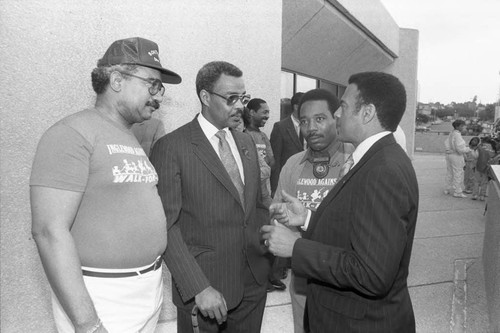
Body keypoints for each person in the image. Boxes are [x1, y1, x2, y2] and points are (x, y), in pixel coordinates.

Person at [30, 37, 181, 333]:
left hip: (147, 288)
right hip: (102, 296)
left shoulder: (129, 135)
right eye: (152, 83)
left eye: (159, 87)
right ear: (116, 80)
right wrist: (88, 324)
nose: (158, 96)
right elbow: (48, 232)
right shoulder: (71, 134)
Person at [262, 71, 419, 332]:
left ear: (367, 113)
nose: (337, 114)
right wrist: (308, 218)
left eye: (343, 107)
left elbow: (372, 274)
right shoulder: (375, 160)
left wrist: (297, 248)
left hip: (360, 322)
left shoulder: (383, 170)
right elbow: (354, 228)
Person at [150, 61, 272, 333]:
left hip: (253, 282)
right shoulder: (172, 147)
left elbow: (255, 207)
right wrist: (198, 287)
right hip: (206, 290)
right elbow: (167, 226)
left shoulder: (246, 142)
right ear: (205, 97)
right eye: (231, 98)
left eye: (243, 97)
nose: (240, 105)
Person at [273, 88, 353, 333]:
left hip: (344, 281)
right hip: (302, 282)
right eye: (305, 121)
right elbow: (277, 213)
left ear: (336, 119)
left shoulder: (355, 161)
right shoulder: (292, 164)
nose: (311, 128)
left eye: (320, 119)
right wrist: (282, 220)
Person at [270, 92, 305, 196]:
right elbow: (276, 159)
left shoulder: (310, 126)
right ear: (296, 107)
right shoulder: (280, 127)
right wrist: (275, 188)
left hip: (306, 181)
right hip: (287, 182)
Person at [243, 99, 274, 207]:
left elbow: (271, 162)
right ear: (252, 112)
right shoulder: (243, 136)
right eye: (264, 112)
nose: (267, 116)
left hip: (265, 193)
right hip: (251, 195)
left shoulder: (263, 136)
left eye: (268, 112)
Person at [444, 119, 471, 198]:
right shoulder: (457, 135)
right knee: (458, 173)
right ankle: (457, 192)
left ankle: (447, 188)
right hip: (456, 156)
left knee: (450, 172)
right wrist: (469, 149)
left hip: (449, 155)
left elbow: (446, 143)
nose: (463, 127)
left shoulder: (451, 133)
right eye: (462, 126)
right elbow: (460, 149)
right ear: (457, 126)